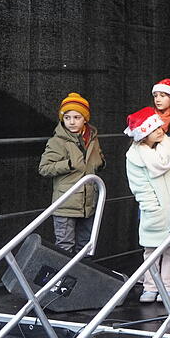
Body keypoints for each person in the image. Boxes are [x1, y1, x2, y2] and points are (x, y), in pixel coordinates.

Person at [124, 107, 170, 304]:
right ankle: (150, 286)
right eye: (154, 129)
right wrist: (152, 207)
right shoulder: (134, 156)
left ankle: (169, 287)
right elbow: (139, 186)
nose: (160, 130)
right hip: (153, 209)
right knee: (151, 251)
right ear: (143, 134)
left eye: (159, 127)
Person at [38, 93, 105, 253]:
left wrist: (101, 162)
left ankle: (82, 270)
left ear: (85, 119)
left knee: (86, 247)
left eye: (77, 117)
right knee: (65, 247)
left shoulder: (92, 138)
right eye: (67, 118)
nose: (72, 122)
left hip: (88, 203)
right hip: (66, 203)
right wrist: (68, 164)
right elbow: (44, 168)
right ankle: (63, 272)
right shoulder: (58, 141)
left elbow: (98, 160)